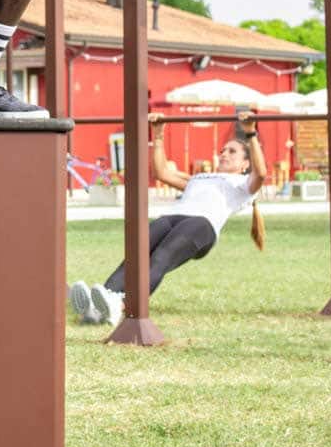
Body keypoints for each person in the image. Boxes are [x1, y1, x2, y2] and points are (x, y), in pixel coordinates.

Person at [68, 112, 266, 325]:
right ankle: (97, 307)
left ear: (245, 164)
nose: (224, 154)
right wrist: (158, 135)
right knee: (134, 258)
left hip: (201, 225)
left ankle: (121, 304)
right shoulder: (199, 178)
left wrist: (250, 133)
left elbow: (261, 173)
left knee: (160, 259)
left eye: (232, 152)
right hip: (172, 218)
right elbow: (161, 172)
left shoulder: (243, 185)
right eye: (223, 150)